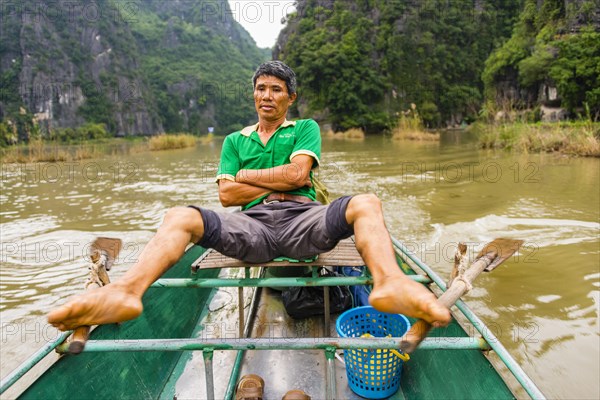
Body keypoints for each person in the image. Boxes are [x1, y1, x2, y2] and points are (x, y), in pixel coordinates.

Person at [47, 61, 450, 333]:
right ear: (253, 95)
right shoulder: (233, 140)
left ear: (290, 98)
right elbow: (227, 196)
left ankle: (390, 281)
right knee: (179, 215)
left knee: (367, 202)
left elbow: (298, 175)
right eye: (261, 89)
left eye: (276, 90)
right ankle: (125, 292)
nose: (267, 96)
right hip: (251, 227)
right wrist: (279, 182)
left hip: (302, 220)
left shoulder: (304, 128)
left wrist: (252, 176)